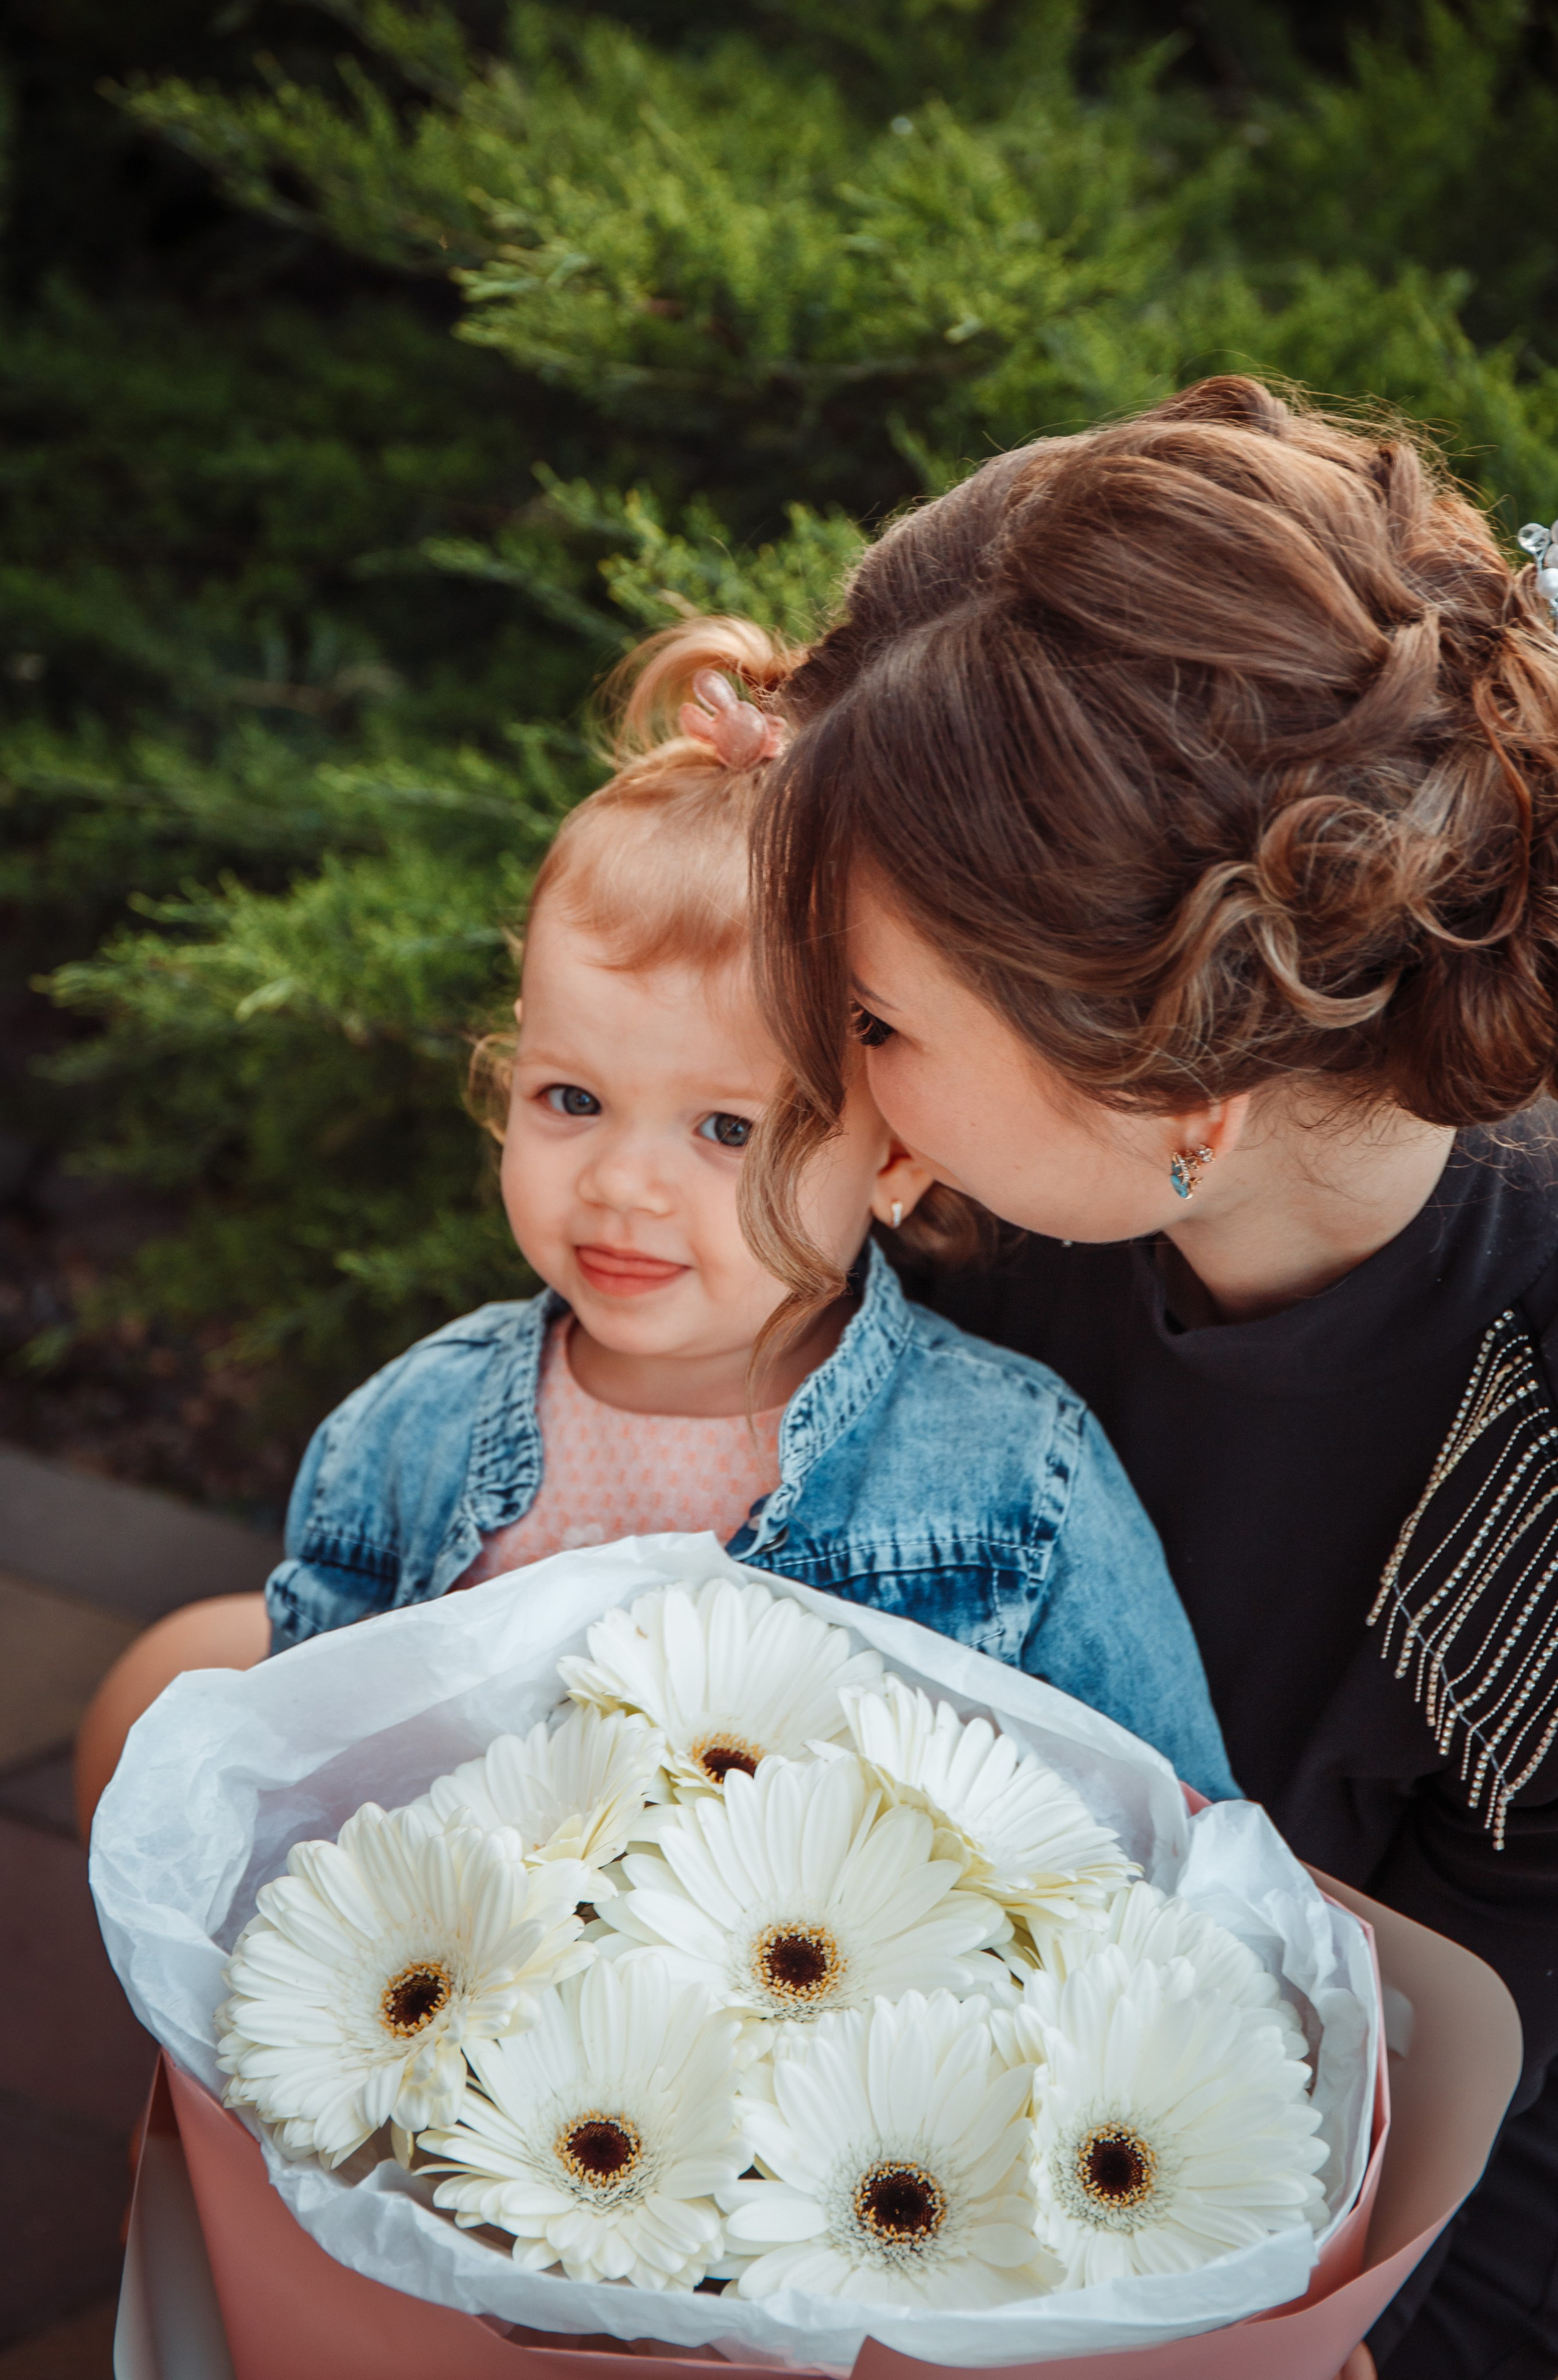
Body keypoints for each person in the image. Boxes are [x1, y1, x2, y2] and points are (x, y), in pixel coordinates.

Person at [741, 374, 1558, 2379]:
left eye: (870, 1016)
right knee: (187, 1687)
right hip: (847, 1985)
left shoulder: (1518, 1479)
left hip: (1225, 2212)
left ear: (1175, 1074)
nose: (835, 1076)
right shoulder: (997, 1209)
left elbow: (1494, 2200)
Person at [74, 618, 1238, 1833]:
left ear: (893, 1153)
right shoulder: (409, 1435)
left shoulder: (1013, 1479)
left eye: (726, 1130)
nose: (622, 1184)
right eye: (569, 1100)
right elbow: (290, 1800)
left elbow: (1173, 1842)